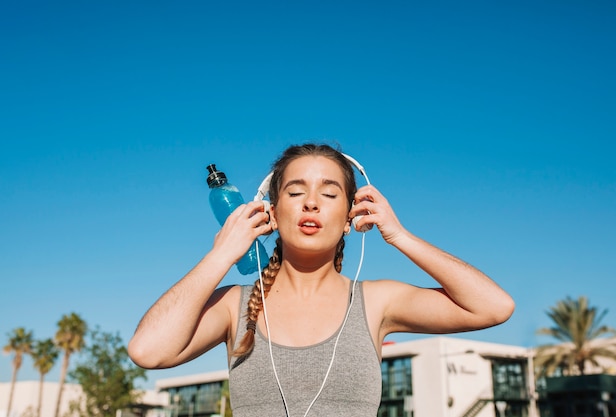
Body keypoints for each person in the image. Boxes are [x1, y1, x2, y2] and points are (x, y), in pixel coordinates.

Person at [128, 143, 515, 417]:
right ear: (273, 214)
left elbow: (495, 306)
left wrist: (400, 235)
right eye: (295, 192)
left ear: (351, 217)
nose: (311, 202)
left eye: (329, 194)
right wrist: (221, 255)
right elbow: (148, 351)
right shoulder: (237, 305)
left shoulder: (376, 302)